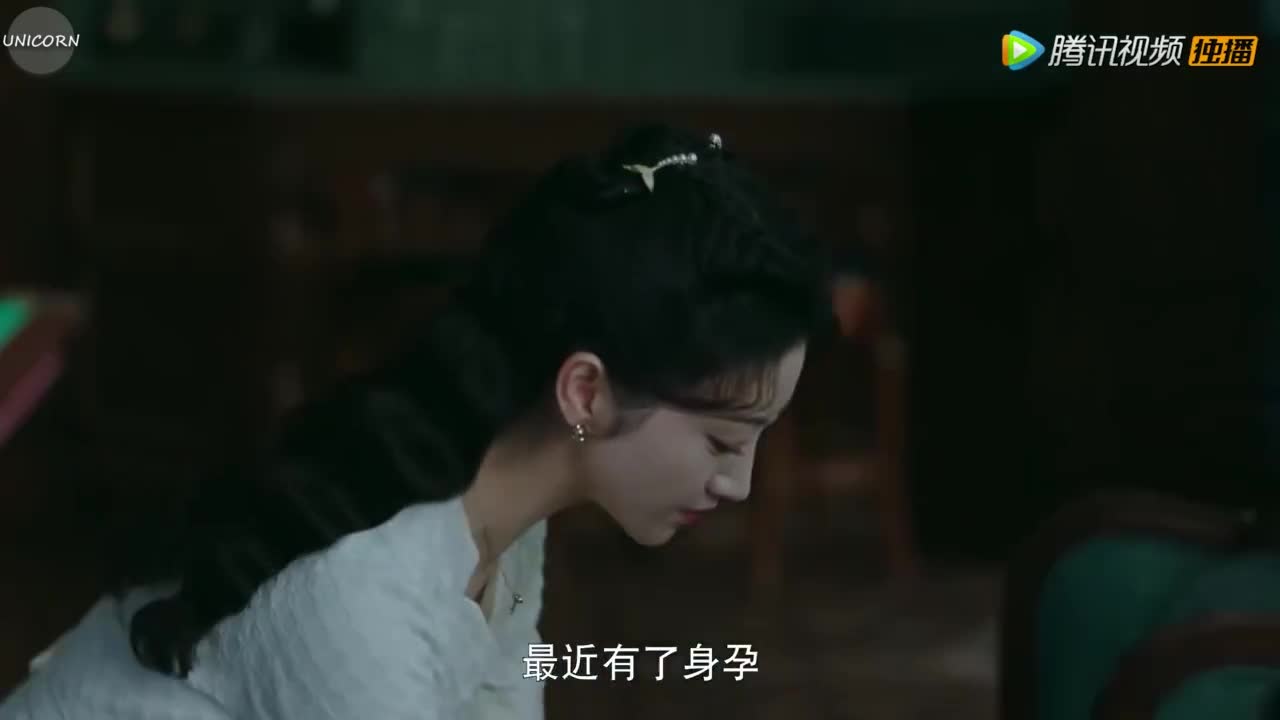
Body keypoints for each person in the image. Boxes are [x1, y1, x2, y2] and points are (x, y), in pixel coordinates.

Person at [0, 124, 829, 719]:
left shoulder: (499, 521)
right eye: (722, 440)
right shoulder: (363, 595)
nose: (739, 482)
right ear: (585, 392)